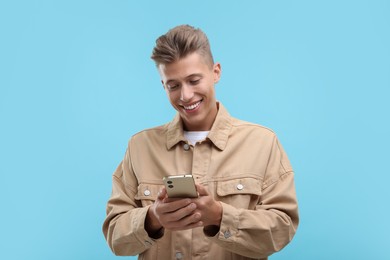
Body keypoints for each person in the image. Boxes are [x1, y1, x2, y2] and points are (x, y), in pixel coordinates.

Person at [103, 24, 299, 260]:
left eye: (194, 80)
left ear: (215, 72)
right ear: (163, 85)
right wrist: (152, 218)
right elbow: (115, 237)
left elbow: (282, 228)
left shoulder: (263, 143)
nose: (185, 95)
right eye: (173, 85)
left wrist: (219, 217)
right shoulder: (139, 147)